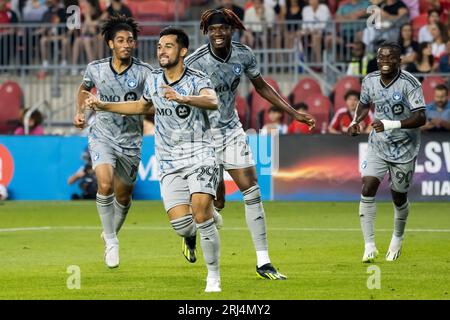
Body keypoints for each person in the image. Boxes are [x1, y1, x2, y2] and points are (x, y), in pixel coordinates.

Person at [83, 27, 223, 293]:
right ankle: (203, 216)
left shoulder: (196, 77)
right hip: (169, 160)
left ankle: (213, 277)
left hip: (199, 153)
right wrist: (103, 105)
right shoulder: (154, 80)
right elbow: (142, 107)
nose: (162, 51)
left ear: (182, 51)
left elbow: (212, 100)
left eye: (168, 46)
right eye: (159, 46)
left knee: (201, 213)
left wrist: (184, 98)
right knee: (182, 226)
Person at [185, 8, 315, 280]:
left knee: (252, 191)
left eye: (223, 28)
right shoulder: (195, 62)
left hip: (231, 130)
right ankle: (191, 233)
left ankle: (263, 262)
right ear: (207, 32)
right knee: (214, 202)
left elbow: (262, 86)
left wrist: (293, 113)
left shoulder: (244, 54)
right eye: (213, 29)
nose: (218, 33)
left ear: (232, 29)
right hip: (202, 136)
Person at [72, 15, 153, 269]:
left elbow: (148, 106)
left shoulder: (144, 72)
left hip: (130, 140)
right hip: (102, 135)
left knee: (124, 196)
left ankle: (110, 232)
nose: (127, 44)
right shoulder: (96, 68)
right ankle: (111, 241)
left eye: (130, 40)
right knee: (104, 185)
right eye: (121, 40)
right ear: (110, 44)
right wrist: (81, 112)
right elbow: (83, 89)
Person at [348, 42, 426, 263]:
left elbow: (421, 117)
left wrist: (390, 124)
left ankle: (397, 238)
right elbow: (364, 104)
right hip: (378, 144)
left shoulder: (410, 83)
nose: (385, 62)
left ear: (399, 60)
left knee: (398, 196)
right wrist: (356, 121)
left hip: (405, 148)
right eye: (381, 58)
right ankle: (369, 245)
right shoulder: (370, 80)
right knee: (368, 185)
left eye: (390, 58)